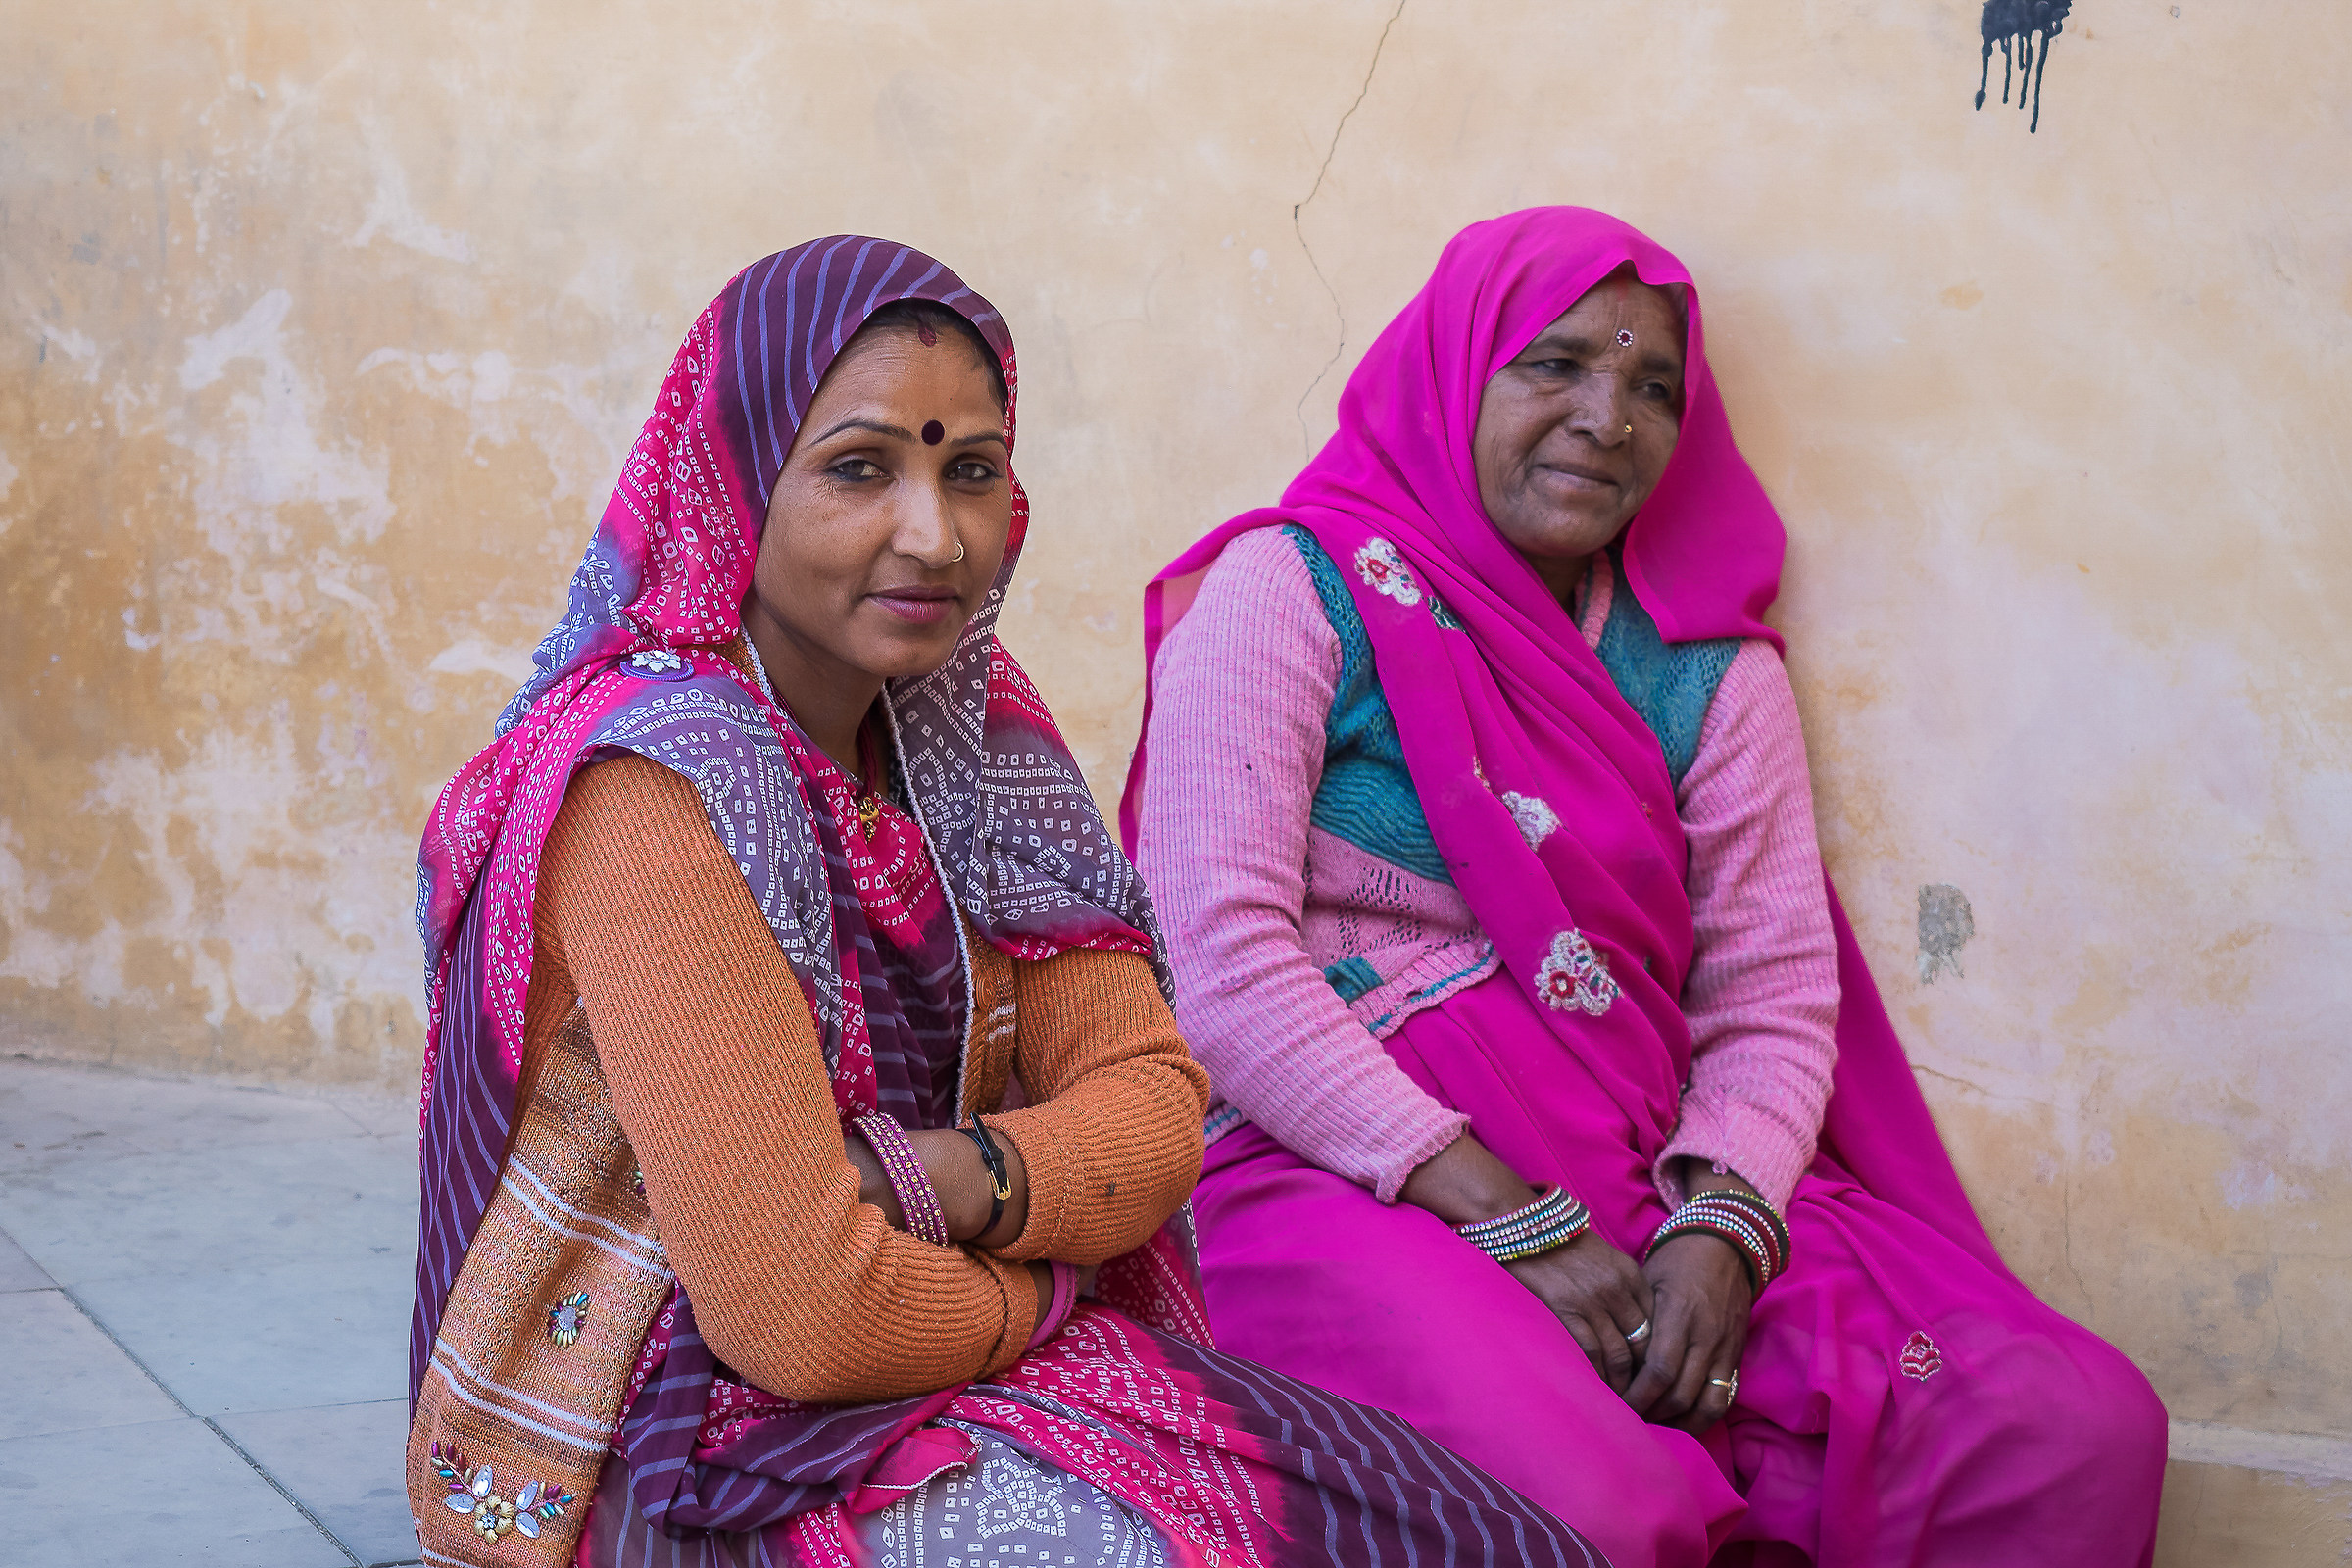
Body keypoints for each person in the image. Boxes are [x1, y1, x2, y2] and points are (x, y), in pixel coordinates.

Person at [406, 237, 1605, 1568]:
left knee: (1470, 1533)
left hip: (942, 1352)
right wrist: (1057, 1276)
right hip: (683, 1447)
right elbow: (801, 1315)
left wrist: (933, 1180)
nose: (936, 534)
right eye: (861, 468)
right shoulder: (659, 778)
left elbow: (1154, 1111)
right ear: (739, 481)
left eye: (970, 471)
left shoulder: (968, 727)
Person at [1125, 208, 2168, 1568]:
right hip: (1340, 1176)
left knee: (2064, 1424)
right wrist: (1507, 1214)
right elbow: (1216, 965)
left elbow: (1776, 997)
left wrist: (1725, 1229)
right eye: (1553, 366)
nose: (1606, 419)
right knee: (1601, 1507)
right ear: (1454, 374)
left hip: (1641, 1169)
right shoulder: (1295, 587)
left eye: (1652, 388)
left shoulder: (1705, 670)